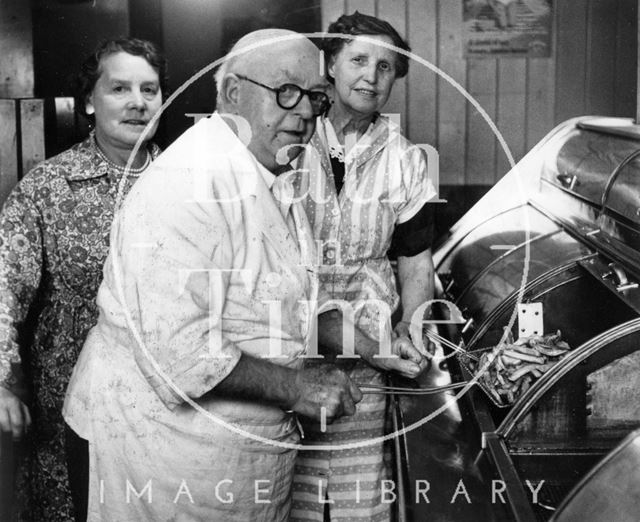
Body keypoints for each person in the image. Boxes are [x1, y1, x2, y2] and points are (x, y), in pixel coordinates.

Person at [63, 29, 363, 521]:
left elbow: (288, 300)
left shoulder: (270, 172)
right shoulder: (186, 183)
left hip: (231, 455)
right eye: (286, 92)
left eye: (316, 98)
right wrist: (297, 389)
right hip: (158, 456)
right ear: (232, 94)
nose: (306, 112)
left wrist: (376, 347)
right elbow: (178, 354)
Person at [0, 37, 165, 521]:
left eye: (150, 89)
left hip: (167, 409)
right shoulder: (47, 188)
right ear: (90, 101)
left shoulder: (191, 180)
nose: (137, 101)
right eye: (119, 88)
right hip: (69, 412)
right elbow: (3, 287)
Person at [290, 12, 437, 521]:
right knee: (287, 492)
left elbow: (415, 260)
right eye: (357, 60)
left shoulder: (406, 158)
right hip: (287, 341)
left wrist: (410, 326)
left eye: (386, 67)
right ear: (330, 65)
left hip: (368, 351)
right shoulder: (290, 139)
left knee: (358, 496)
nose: (371, 76)